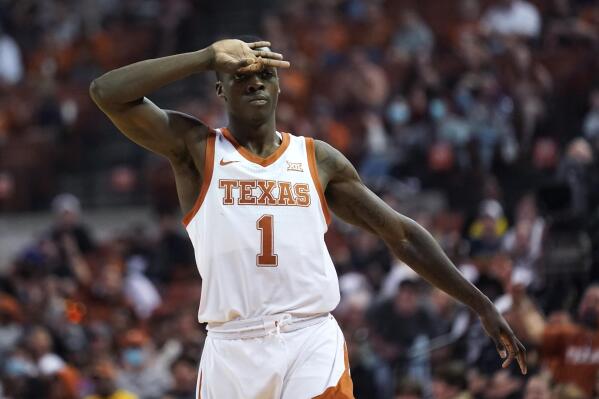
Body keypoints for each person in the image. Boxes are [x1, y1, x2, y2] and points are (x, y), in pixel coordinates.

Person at [90, 37, 526, 398]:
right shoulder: (196, 147)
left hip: (308, 336)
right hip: (231, 347)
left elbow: (401, 235)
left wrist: (481, 304)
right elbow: (106, 93)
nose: (256, 82)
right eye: (241, 76)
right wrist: (204, 58)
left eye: (266, 74)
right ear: (220, 89)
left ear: (279, 87)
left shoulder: (315, 159)